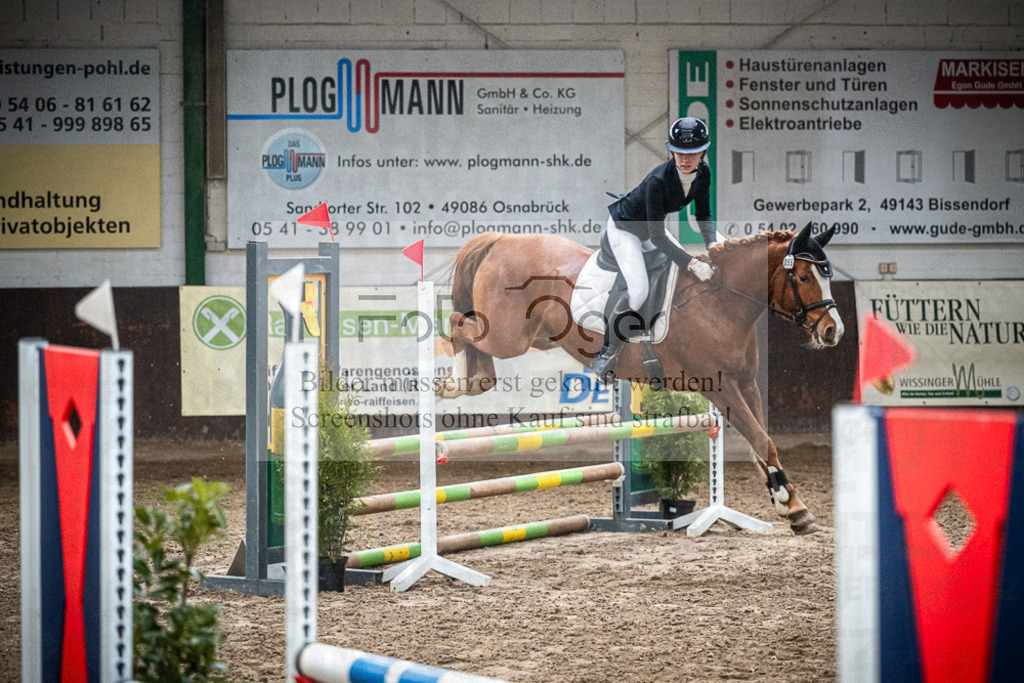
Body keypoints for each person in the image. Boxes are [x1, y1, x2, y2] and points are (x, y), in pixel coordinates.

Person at [590, 117, 718, 381]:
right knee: (638, 291)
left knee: (673, 278)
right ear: (671, 151)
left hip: (649, 228)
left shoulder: (703, 173)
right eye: (679, 153)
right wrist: (692, 263)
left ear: (703, 152)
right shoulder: (658, 180)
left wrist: (713, 246)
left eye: (692, 153)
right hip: (626, 229)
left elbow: (703, 214)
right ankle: (607, 352)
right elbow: (659, 237)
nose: (685, 159)